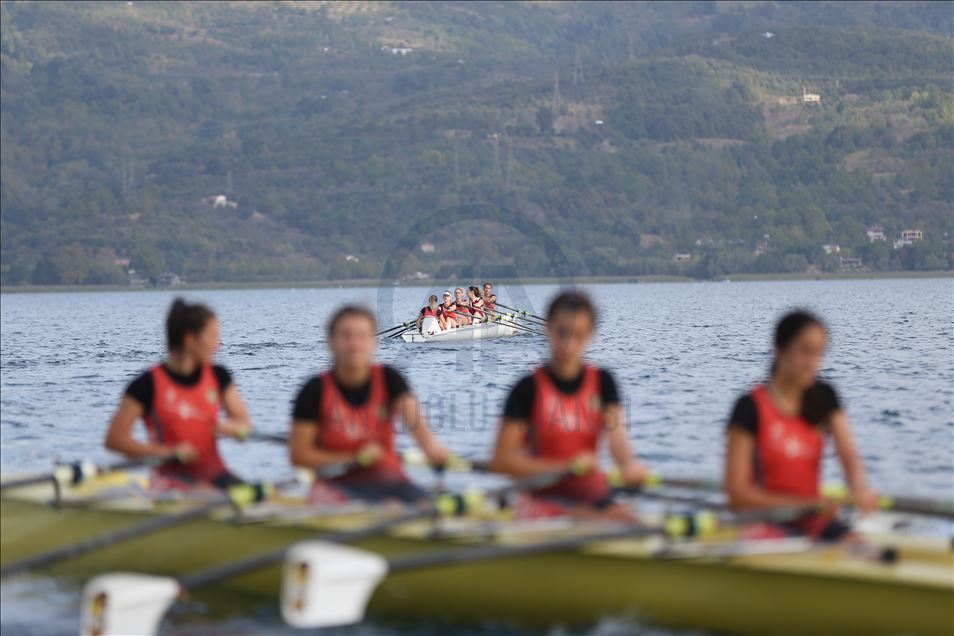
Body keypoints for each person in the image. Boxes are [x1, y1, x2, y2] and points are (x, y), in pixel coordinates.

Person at [491, 291, 649, 519]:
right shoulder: (527, 389)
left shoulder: (604, 382)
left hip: (588, 492)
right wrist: (563, 468)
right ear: (548, 329)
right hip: (540, 497)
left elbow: (618, 441)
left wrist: (628, 465)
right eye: (561, 333)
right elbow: (502, 461)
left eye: (578, 335)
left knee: (629, 520)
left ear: (591, 335)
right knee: (600, 517)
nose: (568, 344)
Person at [725, 310, 877, 540]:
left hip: (811, 519)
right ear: (779, 351)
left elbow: (848, 455)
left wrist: (859, 487)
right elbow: (737, 496)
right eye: (805, 352)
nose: (813, 363)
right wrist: (808, 503)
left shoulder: (824, 398)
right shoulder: (749, 408)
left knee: (867, 551)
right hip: (763, 523)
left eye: (819, 353)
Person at [289, 305, 449, 503]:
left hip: (387, 479)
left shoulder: (391, 380)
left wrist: (432, 450)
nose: (354, 344)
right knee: (388, 508)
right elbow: (299, 456)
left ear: (374, 342)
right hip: (336, 483)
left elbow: (420, 431)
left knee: (428, 505)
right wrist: (354, 457)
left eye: (362, 336)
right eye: (346, 336)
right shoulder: (313, 390)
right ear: (331, 342)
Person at [105, 299, 251, 490]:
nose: (218, 345)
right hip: (169, 478)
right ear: (190, 340)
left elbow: (243, 423)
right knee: (207, 493)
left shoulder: (219, 376)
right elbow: (115, 440)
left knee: (260, 497)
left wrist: (230, 428)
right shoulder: (146, 385)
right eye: (213, 336)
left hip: (215, 474)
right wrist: (166, 452)